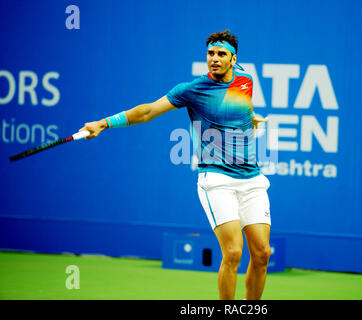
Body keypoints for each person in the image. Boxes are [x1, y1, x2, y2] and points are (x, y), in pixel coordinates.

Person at [79, 30, 271, 300]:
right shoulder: (191, 90)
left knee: (262, 254)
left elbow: (241, 108)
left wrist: (250, 118)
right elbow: (147, 112)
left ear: (233, 59)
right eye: (210, 53)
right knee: (234, 252)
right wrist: (103, 123)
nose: (214, 59)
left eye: (221, 54)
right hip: (217, 181)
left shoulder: (246, 80)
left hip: (252, 179)